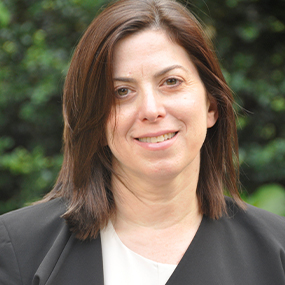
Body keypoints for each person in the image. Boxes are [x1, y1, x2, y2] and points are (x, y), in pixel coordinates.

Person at [1, 0, 285, 284]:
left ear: (211, 106)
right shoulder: (17, 250)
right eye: (122, 91)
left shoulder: (276, 250)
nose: (151, 110)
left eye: (171, 82)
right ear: (95, 122)